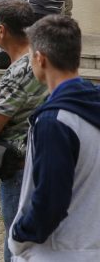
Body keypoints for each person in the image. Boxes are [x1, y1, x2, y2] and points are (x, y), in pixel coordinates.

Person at [9, 15, 100, 260]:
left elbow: (50, 200)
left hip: (59, 252)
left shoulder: (55, 122)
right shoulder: (90, 104)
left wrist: (19, 233)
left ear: (40, 58)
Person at [0, 0, 47, 262]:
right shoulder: (43, 59)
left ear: (1, 31)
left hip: (20, 170)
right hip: (45, 162)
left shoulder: (18, 71)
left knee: (16, 243)